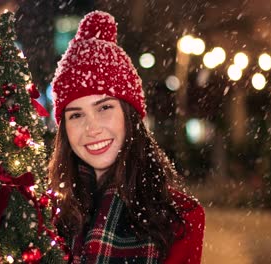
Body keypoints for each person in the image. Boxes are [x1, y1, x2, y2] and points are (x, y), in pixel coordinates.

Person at [48, 10, 205, 264]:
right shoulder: (44, 214)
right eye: (76, 116)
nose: (92, 128)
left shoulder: (179, 219)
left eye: (104, 108)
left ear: (129, 117)